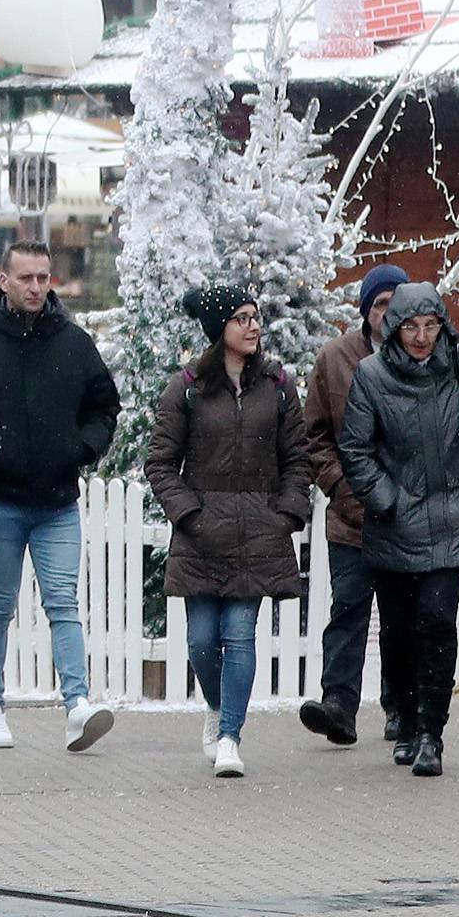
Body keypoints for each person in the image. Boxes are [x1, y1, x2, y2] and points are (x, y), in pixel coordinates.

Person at [0, 236, 119, 753]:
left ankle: (77, 704)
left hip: (58, 500)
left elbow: (105, 407)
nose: (36, 287)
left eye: (43, 277)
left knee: (64, 603)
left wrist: (82, 448)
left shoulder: (75, 344)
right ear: (5, 281)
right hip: (1, 502)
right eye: (26, 278)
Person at [337, 280, 459, 779]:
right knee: (397, 631)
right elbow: (355, 448)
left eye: (430, 326)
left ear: (442, 326)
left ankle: (433, 733)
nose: (420, 337)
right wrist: (386, 499)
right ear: (393, 328)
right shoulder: (371, 376)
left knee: (436, 621)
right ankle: (407, 721)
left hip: (454, 518)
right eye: (411, 327)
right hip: (394, 524)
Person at [146, 285, 312, 779]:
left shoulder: (279, 386)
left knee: (240, 635)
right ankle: (218, 709)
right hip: (203, 536)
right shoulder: (188, 388)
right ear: (219, 328)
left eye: (255, 316)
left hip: (259, 534)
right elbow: (160, 463)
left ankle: (230, 737)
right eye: (241, 318)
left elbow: (297, 458)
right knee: (201, 640)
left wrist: (285, 514)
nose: (253, 326)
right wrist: (191, 517)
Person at [299, 262, 408, 748]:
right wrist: (341, 488)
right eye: (380, 305)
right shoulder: (334, 359)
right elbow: (314, 435)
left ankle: (400, 707)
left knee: (404, 616)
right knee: (348, 610)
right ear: (366, 311)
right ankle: (339, 705)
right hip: (351, 516)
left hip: (408, 517)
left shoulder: (427, 356)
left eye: (396, 305)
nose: (388, 314)